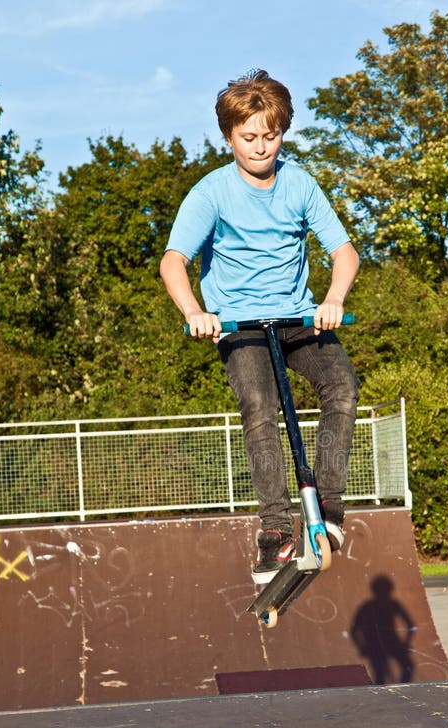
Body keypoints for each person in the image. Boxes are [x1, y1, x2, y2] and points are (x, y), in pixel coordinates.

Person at [160, 69, 360, 584]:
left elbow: (344, 252)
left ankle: (329, 512)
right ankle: (275, 533)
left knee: (341, 385)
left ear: (282, 132)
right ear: (229, 137)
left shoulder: (299, 183)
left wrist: (334, 298)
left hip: (297, 317)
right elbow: (173, 262)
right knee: (259, 406)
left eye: (270, 136)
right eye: (248, 137)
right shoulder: (211, 193)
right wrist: (194, 314)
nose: (260, 147)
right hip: (239, 325)